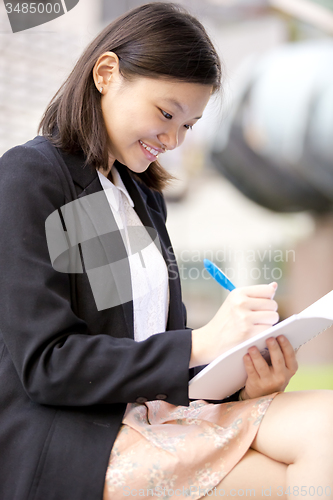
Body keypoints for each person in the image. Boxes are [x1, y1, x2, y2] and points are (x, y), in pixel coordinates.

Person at [0, 3, 332, 500]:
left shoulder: (139, 198)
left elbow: (145, 345)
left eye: (189, 125)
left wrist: (245, 379)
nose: (173, 139)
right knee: (290, 478)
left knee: (327, 422)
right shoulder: (32, 177)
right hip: (77, 441)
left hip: (160, 418)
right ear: (107, 73)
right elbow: (50, 365)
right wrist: (203, 341)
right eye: (166, 112)